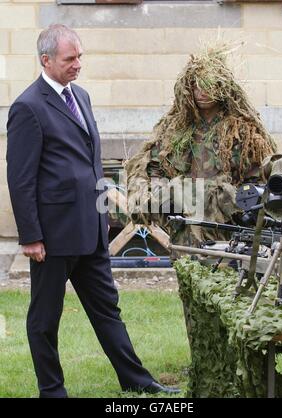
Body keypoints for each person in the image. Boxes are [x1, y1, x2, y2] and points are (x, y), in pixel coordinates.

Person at [6, 24, 180, 398]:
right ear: (46, 60)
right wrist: (30, 236)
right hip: (52, 238)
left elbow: (90, 163)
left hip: (91, 229)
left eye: (80, 56)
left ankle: (137, 380)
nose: (78, 64)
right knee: (44, 320)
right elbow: (20, 179)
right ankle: (52, 390)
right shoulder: (28, 106)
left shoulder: (81, 96)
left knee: (107, 311)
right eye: (70, 59)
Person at [125, 46, 277, 246]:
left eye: (208, 85)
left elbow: (256, 180)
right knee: (188, 272)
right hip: (184, 229)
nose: (202, 92)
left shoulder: (241, 131)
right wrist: (163, 195)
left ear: (222, 87)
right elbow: (153, 167)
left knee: (224, 275)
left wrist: (224, 197)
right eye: (195, 86)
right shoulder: (174, 129)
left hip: (229, 230)